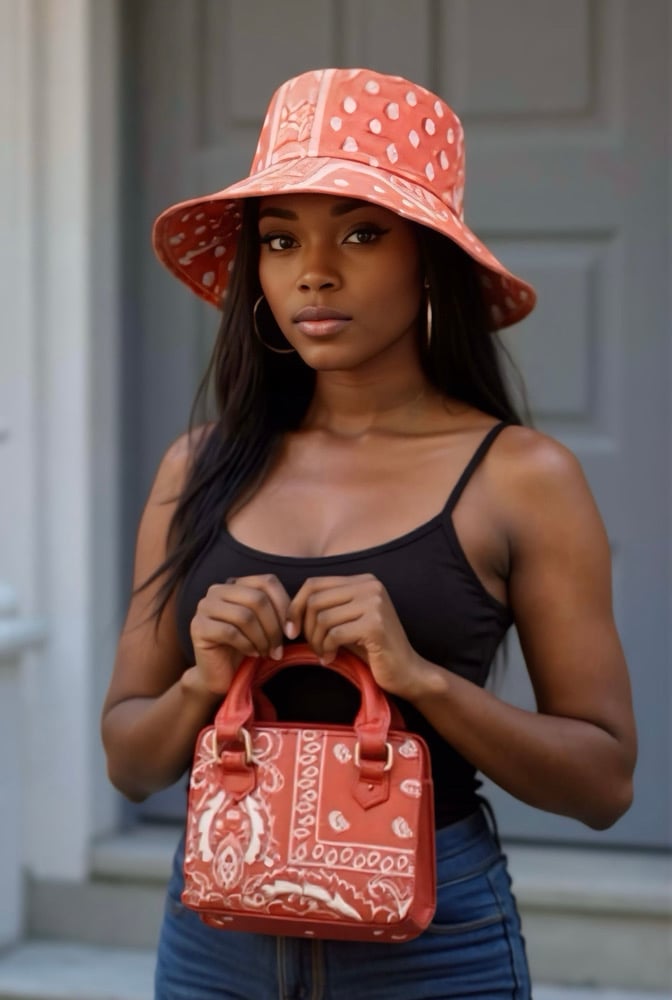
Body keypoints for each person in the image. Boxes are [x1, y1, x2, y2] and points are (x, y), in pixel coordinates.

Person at [101, 68, 637, 999]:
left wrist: (419, 678)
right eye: (280, 239)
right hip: (214, 937)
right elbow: (129, 762)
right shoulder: (197, 466)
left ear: (430, 259)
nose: (314, 270)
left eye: (361, 232)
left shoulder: (523, 477)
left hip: (433, 945)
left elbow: (603, 785)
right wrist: (201, 684)